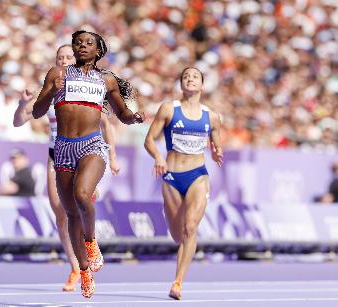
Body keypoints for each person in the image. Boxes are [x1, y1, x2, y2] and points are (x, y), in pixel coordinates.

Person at [31, 30, 144, 298]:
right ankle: (84, 270)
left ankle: (92, 243)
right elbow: (37, 111)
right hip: (63, 148)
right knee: (71, 215)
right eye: (78, 43)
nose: (82, 46)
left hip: (91, 145)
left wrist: (135, 117)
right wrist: (51, 93)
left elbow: (122, 113)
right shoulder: (57, 75)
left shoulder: (106, 81)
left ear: (98, 50)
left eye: (88, 43)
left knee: (83, 194)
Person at [13, 44, 120, 292]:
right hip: (56, 155)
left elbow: (106, 124)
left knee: (81, 202)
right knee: (61, 215)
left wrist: (112, 155)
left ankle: (90, 246)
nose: (63, 60)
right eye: (60, 57)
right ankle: (77, 268)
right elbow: (19, 121)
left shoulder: (86, 88)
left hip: (84, 153)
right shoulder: (50, 89)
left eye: (68, 57)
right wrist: (22, 104)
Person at [144, 67, 223, 300]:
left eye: (195, 77)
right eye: (186, 77)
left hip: (198, 175)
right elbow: (149, 140)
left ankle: (178, 282)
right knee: (178, 235)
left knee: (191, 228)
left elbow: (217, 144)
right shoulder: (169, 109)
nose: (190, 79)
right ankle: (181, 249)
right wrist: (158, 156)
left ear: (202, 85)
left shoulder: (212, 116)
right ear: (181, 85)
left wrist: (218, 152)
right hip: (171, 176)